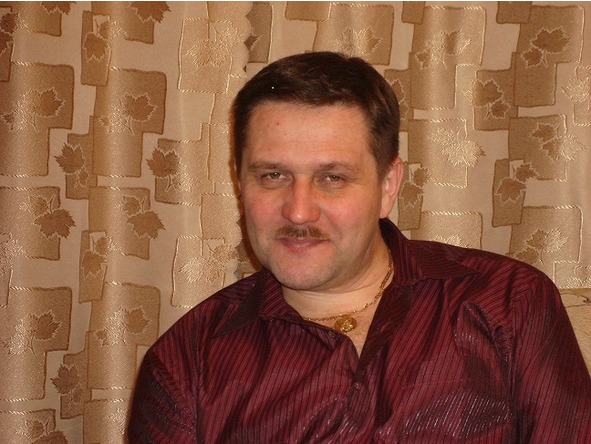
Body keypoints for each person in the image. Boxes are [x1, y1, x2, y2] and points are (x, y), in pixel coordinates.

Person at [128, 52, 591, 443]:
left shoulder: (509, 302)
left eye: (333, 177)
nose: (299, 211)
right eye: (273, 175)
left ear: (388, 185)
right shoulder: (185, 362)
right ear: (238, 183)